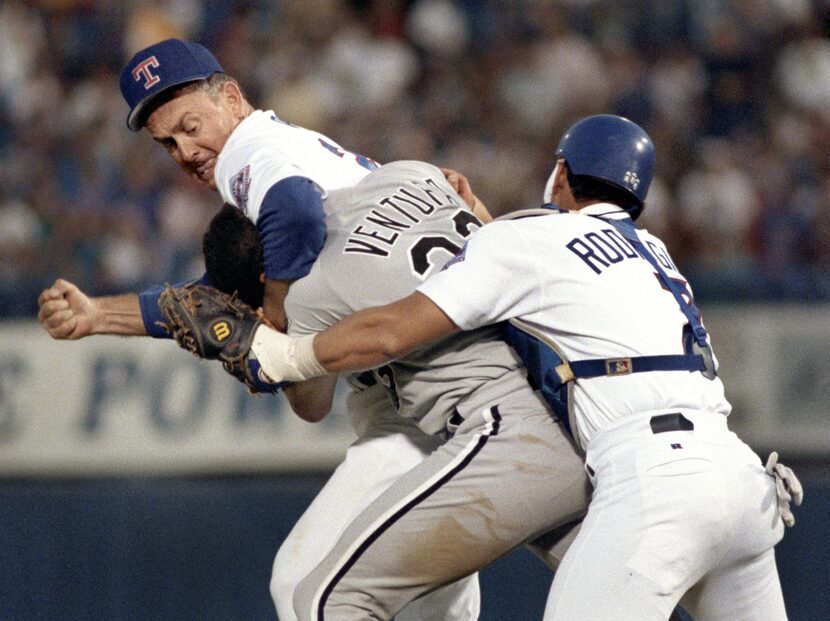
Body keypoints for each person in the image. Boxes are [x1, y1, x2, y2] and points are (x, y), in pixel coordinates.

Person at [227, 116, 801, 620]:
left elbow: (392, 330)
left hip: (652, 479)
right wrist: (477, 215)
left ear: (561, 173)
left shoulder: (529, 238)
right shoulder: (655, 250)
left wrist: (285, 351)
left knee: (324, 595)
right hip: (742, 478)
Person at [36, 39, 483, 620]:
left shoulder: (251, 152)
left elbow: (292, 210)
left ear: (231, 96)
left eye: (191, 126)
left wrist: (275, 313)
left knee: (305, 584)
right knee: (429, 601)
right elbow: (217, 295)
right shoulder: (301, 151)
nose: (185, 151)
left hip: (427, 392)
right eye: (167, 142)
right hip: (449, 369)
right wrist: (100, 315)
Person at [202, 160, 591, 620]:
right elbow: (490, 234)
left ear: (265, 279)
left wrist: (269, 339)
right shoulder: (407, 172)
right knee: (625, 591)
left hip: (500, 425)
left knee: (315, 592)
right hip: (578, 390)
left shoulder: (308, 291)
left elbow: (311, 404)